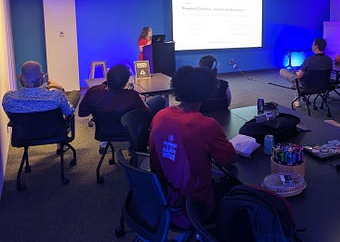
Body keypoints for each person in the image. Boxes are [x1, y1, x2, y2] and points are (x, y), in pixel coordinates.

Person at [149, 66, 236, 229]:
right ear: (208, 92)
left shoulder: (160, 115)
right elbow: (230, 159)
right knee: (236, 185)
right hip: (192, 207)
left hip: (159, 196)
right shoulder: (207, 126)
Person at [79, 64, 164, 119]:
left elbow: (82, 113)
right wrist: (141, 100)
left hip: (103, 132)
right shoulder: (132, 96)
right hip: (128, 130)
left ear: (108, 77)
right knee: (160, 99)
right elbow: (146, 113)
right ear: (125, 82)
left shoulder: (93, 91)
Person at [3, 60, 79, 116]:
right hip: (54, 135)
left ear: (21, 78)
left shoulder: (9, 98)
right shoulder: (56, 96)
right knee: (75, 93)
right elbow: (69, 112)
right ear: (41, 77)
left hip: (23, 136)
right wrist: (60, 89)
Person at [279, 38, 333, 106]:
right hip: (323, 86)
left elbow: (299, 76)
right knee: (297, 75)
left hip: (308, 86)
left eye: (313, 44)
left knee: (283, 71)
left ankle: (297, 96)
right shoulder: (329, 60)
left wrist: (297, 73)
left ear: (316, 47)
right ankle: (297, 91)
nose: (312, 46)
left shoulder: (309, 60)